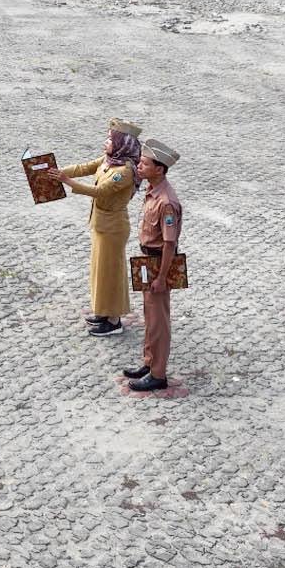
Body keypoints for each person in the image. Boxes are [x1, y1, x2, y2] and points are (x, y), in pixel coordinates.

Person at [48, 119, 142, 338]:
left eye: (110, 139)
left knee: (112, 274)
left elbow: (100, 191)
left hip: (113, 228)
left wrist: (65, 181)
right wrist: (58, 172)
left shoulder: (125, 171)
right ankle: (103, 311)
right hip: (101, 224)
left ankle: (114, 319)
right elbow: (84, 167)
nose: (106, 141)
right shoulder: (110, 160)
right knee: (100, 271)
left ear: (121, 144)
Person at [123, 138, 182, 393]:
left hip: (159, 262)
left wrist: (162, 276)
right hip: (148, 260)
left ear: (159, 169)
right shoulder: (152, 190)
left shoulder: (166, 201)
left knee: (159, 321)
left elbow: (170, 243)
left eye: (145, 163)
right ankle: (149, 362)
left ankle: (158, 374)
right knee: (149, 315)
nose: (139, 165)